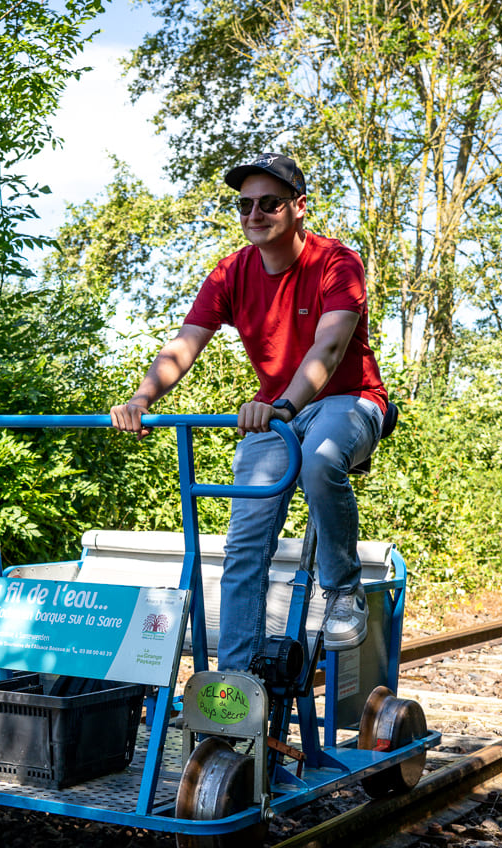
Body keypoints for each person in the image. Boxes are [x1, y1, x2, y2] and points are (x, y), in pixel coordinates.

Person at [110, 153, 388, 667]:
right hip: (277, 414)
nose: (255, 214)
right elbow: (184, 345)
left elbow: (327, 351)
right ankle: (235, 686)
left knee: (322, 458)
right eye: (245, 205)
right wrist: (140, 400)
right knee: (244, 548)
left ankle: (344, 591)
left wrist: (281, 405)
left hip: (347, 401)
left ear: (299, 208)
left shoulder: (336, 263)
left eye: (269, 203)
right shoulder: (232, 272)